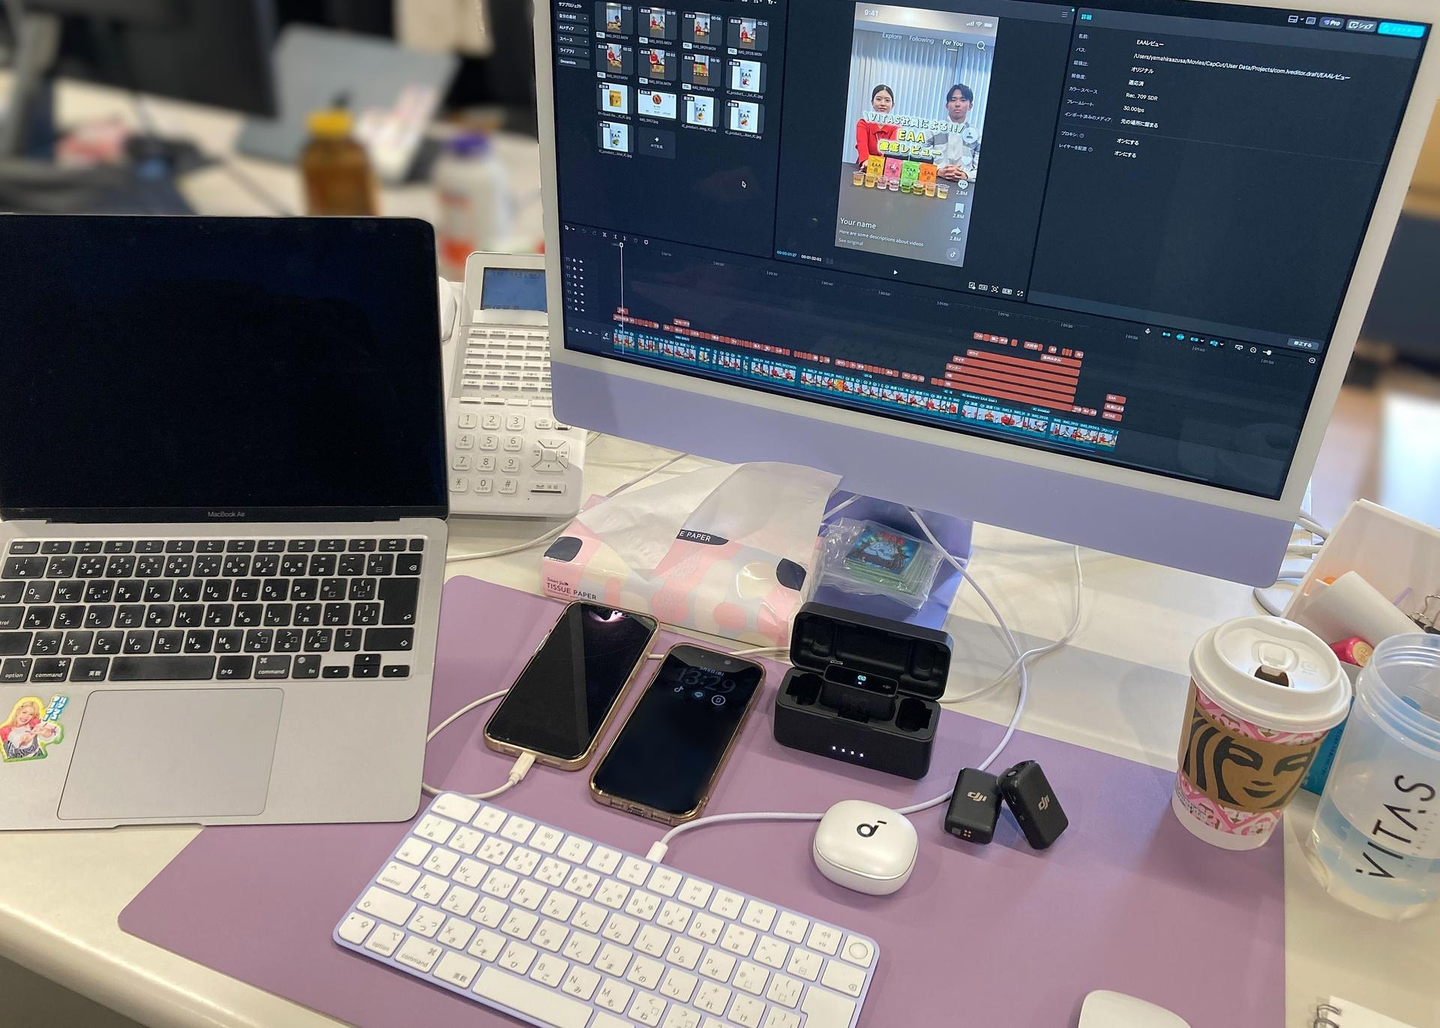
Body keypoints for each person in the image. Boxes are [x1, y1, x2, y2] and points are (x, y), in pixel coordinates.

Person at [928, 84, 981, 182]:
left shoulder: (977, 136)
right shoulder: (933, 131)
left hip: (964, 185)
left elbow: (979, 168)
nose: (957, 104)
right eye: (953, 100)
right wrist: (938, 171)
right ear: (947, 105)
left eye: (963, 100)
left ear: (970, 106)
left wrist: (966, 175)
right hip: (935, 181)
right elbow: (921, 160)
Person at [854, 84, 899, 166]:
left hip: (885, 167)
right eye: (878, 99)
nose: (883, 103)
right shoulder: (863, 123)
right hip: (865, 165)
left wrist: (878, 165)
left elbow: (890, 152)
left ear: (893, 105)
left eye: (887, 100)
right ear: (872, 102)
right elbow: (862, 145)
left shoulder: (897, 128)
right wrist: (866, 162)